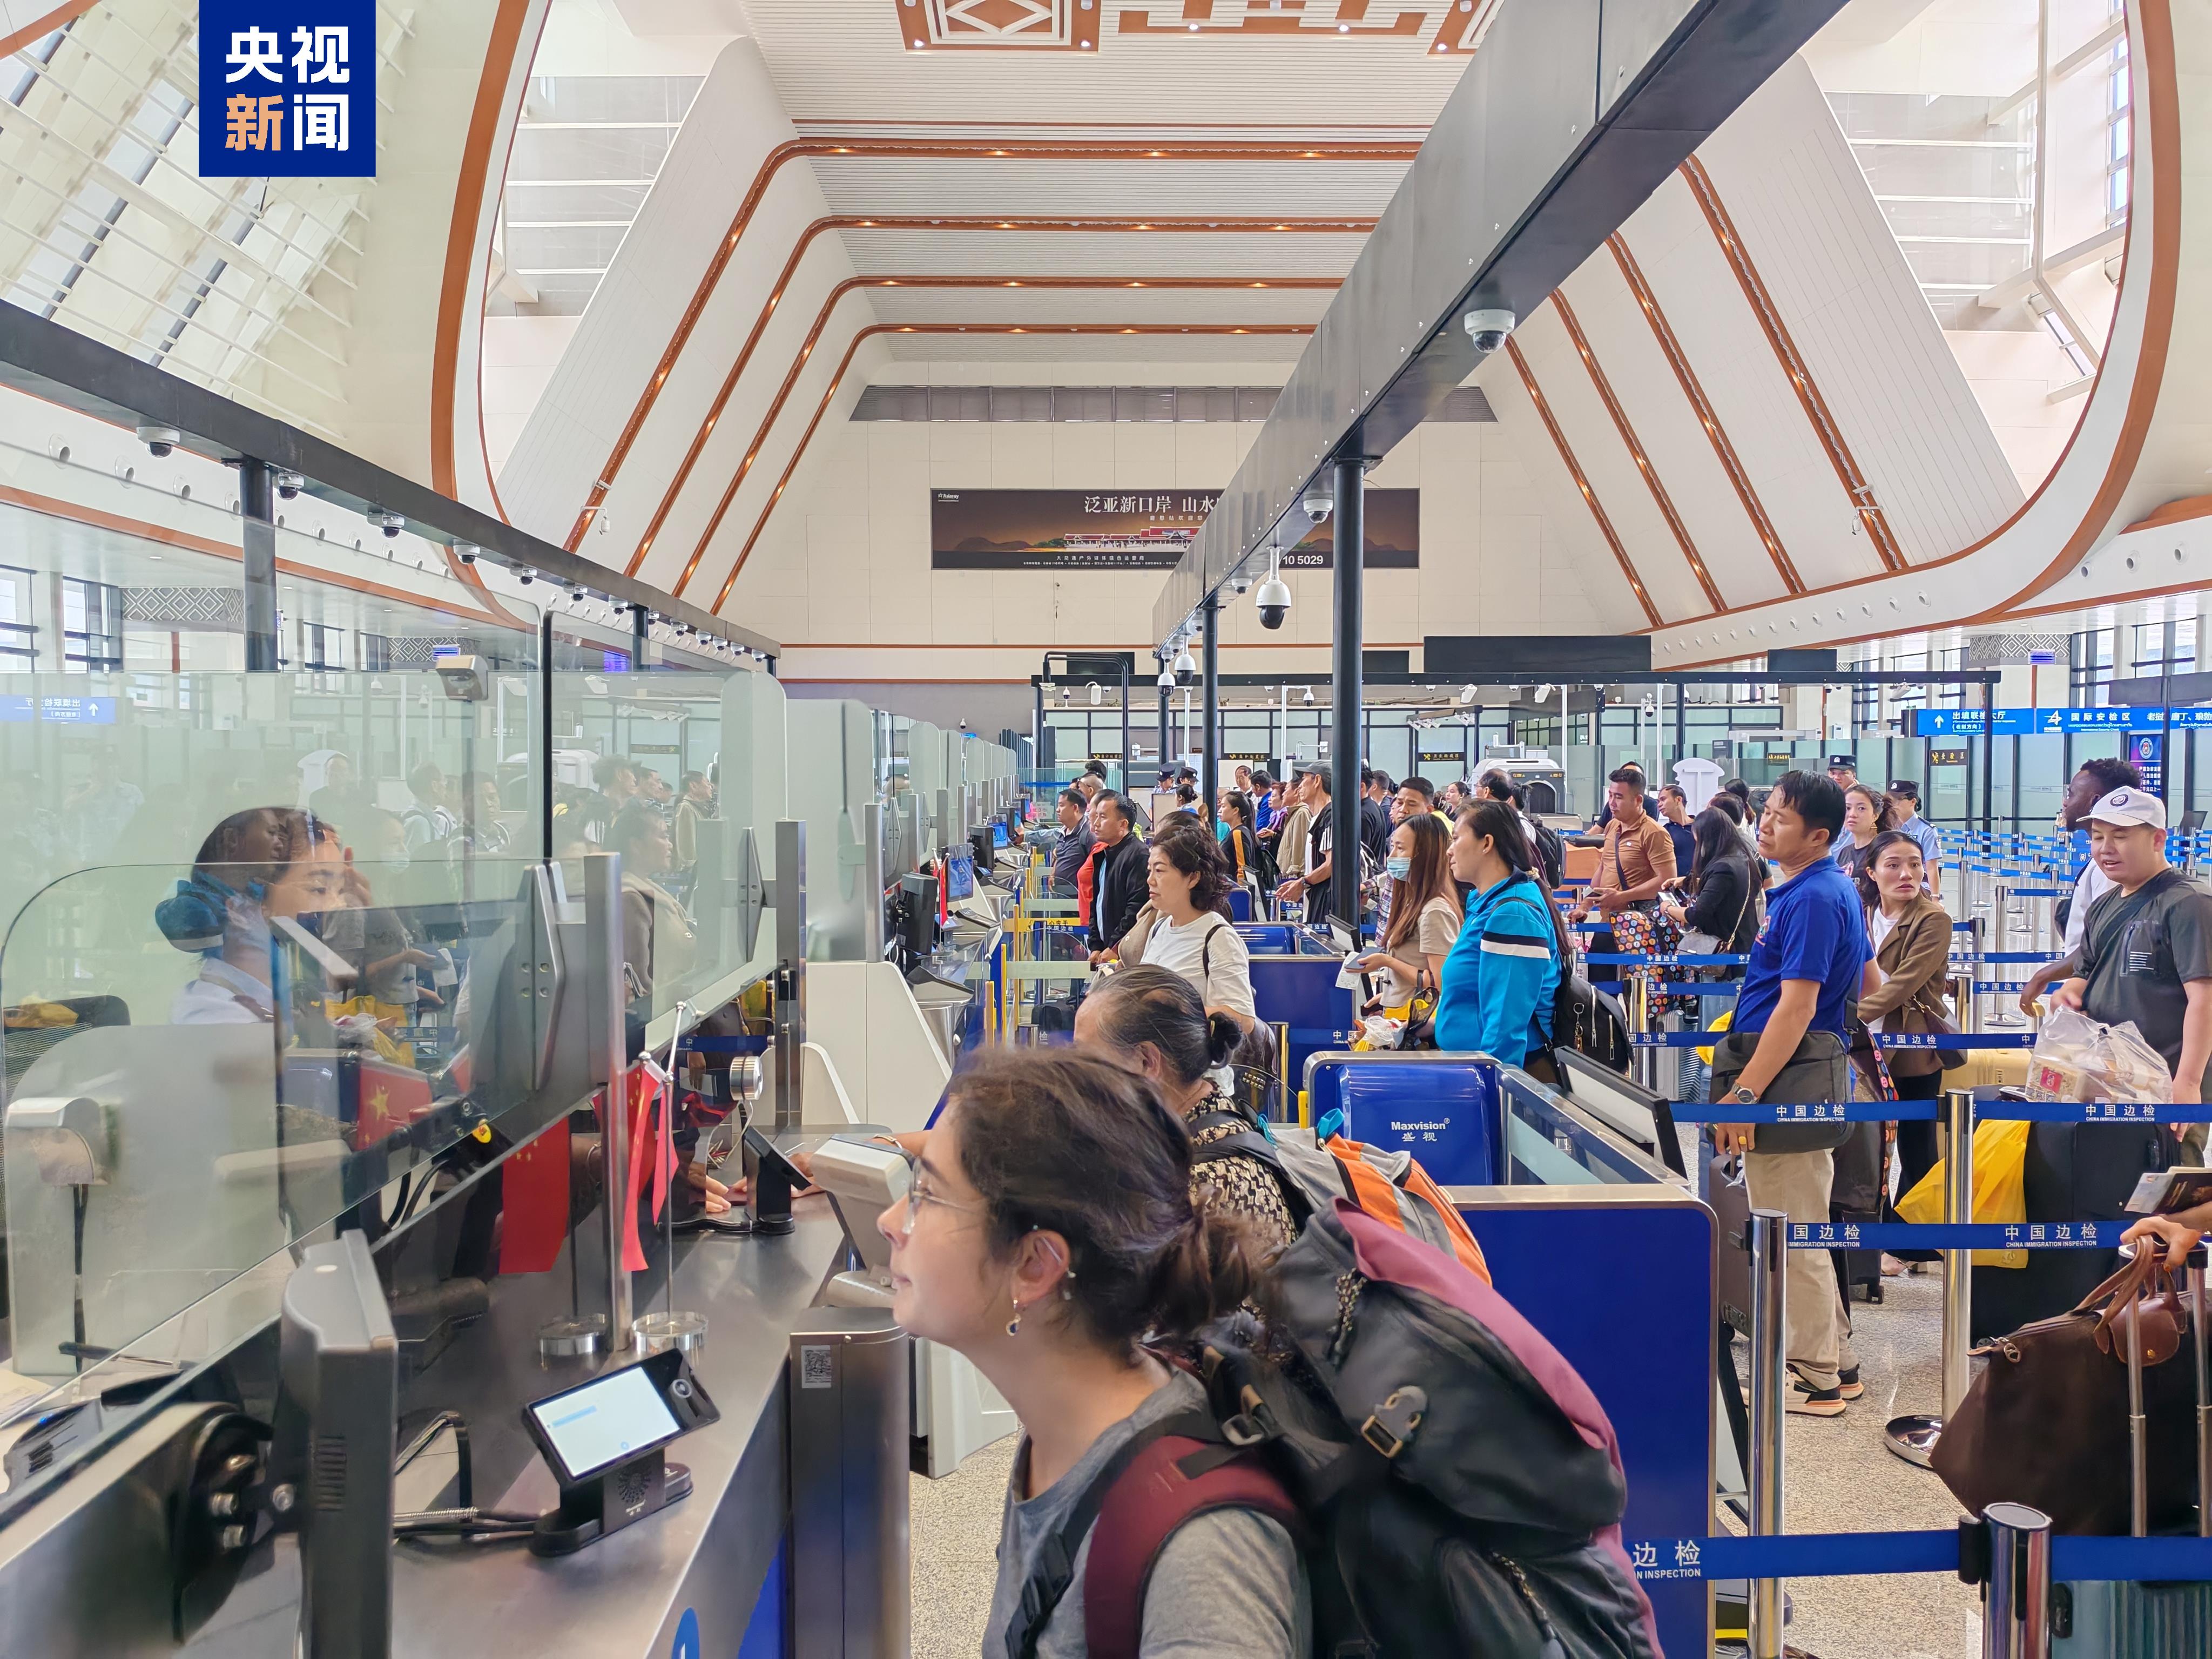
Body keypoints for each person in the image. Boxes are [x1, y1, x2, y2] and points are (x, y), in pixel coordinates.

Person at [879, 1051, 1307, 1659]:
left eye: (926, 1194)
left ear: (1036, 1265)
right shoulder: (1062, 1436)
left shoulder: (1203, 1566)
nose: (890, 1220)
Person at [1709, 771, 1869, 1417]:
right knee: (1801, 1223)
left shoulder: (1812, 898)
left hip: (1786, 1079)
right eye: (1767, 812)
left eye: (1781, 817)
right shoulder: (1816, 888)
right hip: (1787, 1074)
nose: (1766, 825)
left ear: (1819, 836)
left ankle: (1814, 1379)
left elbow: (1797, 1007)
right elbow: (1862, 979)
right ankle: (1837, 1362)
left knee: (1790, 1231)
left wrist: (1746, 1093)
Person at [1075, 966, 1296, 1255]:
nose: (1078, 1075)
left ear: (1145, 1062)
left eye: (1087, 1059)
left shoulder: (1206, 1189)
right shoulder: (1198, 1125)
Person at [1850, 829, 1954, 1274]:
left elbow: (1903, 985)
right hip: (1862, 1047)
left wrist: (1844, 1017)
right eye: (1893, 865)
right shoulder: (1862, 910)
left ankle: (1914, 1244)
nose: (1907, 874)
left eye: (1914, 864)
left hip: (1910, 1047)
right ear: (1872, 872)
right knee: (1869, 1143)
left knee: (1916, 1146)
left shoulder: (1933, 920)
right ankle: (1877, 1237)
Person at [1432, 799, 1565, 1071]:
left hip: (1503, 1071)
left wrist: (1491, 1087)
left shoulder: (1513, 916)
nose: (1449, 851)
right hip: (1471, 1065)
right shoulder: (1487, 903)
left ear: (1486, 843)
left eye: (1456, 838)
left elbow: (1505, 1027)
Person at [2017, 757, 2143, 1014]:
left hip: (2101, 996)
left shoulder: (2111, 868)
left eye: (2072, 794)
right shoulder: (2104, 863)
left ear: (2094, 801)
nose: (2065, 802)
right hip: (2090, 990)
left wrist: (2043, 976)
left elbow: (2104, 943)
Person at [1107, 819, 1255, 1032]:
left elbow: (1244, 1019)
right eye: (1150, 871)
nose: (1150, 880)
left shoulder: (1218, 937)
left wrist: (1170, 1010)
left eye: (1160, 871)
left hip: (1195, 1053)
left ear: (1193, 877)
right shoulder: (1160, 928)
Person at [1570, 767, 1677, 985]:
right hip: (1607, 923)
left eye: (1619, 797)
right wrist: (1586, 905)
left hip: (1640, 927)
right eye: (1610, 795)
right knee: (1599, 989)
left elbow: (1666, 881)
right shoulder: (1612, 827)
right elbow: (1603, 867)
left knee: (1641, 993)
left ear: (1638, 800)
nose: (1612, 803)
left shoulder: (1654, 833)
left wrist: (1622, 897)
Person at [1358, 812, 1461, 1013]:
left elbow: (1441, 982)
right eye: (1393, 847)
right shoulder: (1411, 901)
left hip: (1418, 1019)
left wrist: (1388, 962)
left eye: (1401, 848)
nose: (1392, 857)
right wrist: (1389, 995)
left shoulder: (1435, 911)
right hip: (1401, 1011)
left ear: (1425, 855)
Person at [608, 802, 698, 1007]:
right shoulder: (630, 899)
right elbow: (639, 986)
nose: (670, 845)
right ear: (636, 846)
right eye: (663, 836)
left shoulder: (647, 887)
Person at [1660, 806, 1760, 960]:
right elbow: (1726, 891)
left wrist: (1668, 908)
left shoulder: (1723, 868)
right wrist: (1687, 882)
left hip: (1726, 951)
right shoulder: (1742, 858)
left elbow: (1698, 915)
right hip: (1743, 942)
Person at [1085, 792, 1148, 962]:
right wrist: (1096, 945)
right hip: (1106, 951)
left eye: (1103, 817)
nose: (1096, 824)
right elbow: (1096, 904)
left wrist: (1115, 946)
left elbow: (1136, 908)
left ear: (1123, 824)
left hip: (1125, 955)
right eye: (1096, 816)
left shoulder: (1138, 855)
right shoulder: (1105, 855)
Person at [1274, 764, 1334, 925]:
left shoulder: (1330, 817)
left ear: (1317, 781)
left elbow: (1331, 865)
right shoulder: (1317, 817)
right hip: (1314, 896)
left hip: (1325, 902)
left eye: (1304, 779)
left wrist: (1303, 882)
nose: (1300, 786)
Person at [1884, 779, 1943, 899]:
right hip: (1891, 883)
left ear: (1913, 802)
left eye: (1898, 800)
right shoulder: (1886, 826)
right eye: (1890, 800)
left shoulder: (1927, 830)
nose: (1893, 804)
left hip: (1918, 886)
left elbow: (1932, 867)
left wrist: (1935, 898)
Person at [1830, 783, 1895, 886]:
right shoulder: (1845, 852)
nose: (1852, 814)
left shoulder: (1884, 850)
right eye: (1848, 808)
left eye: (1861, 808)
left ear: (1875, 815)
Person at [1218, 790, 1271, 901]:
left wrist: (1241, 895)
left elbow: (1243, 869)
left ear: (1235, 810)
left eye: (1223, 806)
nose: (1220, 810)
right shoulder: (1241, 832)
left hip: (1236, 894)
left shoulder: (1238, 833)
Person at [1042, 788, 1094, 899]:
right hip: (1062, 896)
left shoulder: (1089, 835)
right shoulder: (1064, 831)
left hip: (1079, 898)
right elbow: (1060, 855)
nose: (1057, 810)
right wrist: (1053, 874)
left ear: (1075, 808)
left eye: (1061, 805)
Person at [401, 763, 455, 854]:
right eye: (444, 781)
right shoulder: (419, 822)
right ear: (434, 786)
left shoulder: (429, 818)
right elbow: (420, 859)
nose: (445, 786)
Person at [673, 770, 718, 871]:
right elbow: (687, 845)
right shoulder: (686, 808)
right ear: (693, 786)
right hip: (692, 872)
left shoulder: (699, 808)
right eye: (707, 783)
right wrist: (691, 868)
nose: (711, 787)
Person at [1657, 784, 1696, 877]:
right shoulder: (1663, 832)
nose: (1659, 805)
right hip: (1676, 882)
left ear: (1678, 800)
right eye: (1658, 801)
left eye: (1663, 799)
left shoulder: (1701, 826)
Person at [1358, 768, 1391, 871]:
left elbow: (1361, 856)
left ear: (1362, 787)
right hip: (1377, 870)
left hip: (1366, 875)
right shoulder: (1374, 806)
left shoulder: (1362, 814)